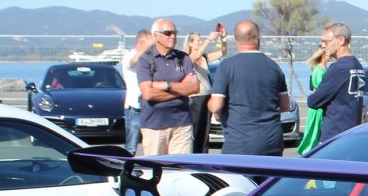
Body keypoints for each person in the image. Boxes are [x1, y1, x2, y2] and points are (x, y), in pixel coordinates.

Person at [206, 20, 290, 156]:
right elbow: (285, 105)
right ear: (258, 39)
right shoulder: (273, 66)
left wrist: (209, 104)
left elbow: (216, 106)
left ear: (235, 39)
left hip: (239, 143)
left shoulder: (227, 66)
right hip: (272, 142)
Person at [136, 18, 199, 155]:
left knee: (181, 168)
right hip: (154, 125)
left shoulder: (183, 58)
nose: (173, 36)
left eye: (174, 33)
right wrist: (182, 89)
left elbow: (194, 88)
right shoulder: (145, 60)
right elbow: (148, 94)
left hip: (182, 123)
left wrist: (166, 85)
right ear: (155, 36)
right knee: (157, 169)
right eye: (168, 33)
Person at [306, 22, 366, 145]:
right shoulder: (357, 65)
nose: (323, 45)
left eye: (326, 41)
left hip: (334, 134)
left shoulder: (338, 68)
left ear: (340, 40)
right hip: (351, 131)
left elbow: (313, 101)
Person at [296, 40, 332, 155]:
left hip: (321, 107)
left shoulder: (323, 69)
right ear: (323, 56)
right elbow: (318, 90)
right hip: (318, 108)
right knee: (314, 132)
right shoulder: (319, 71)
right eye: (328, 54)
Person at [120, 29, 152, 154]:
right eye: (149, 44)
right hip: (134, 106)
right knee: (132, 143)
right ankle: (125, 168)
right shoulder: (130, 55)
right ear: (140, 42)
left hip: (148, 103)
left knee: (150, 141)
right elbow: (133, 62)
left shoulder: (148, 56)